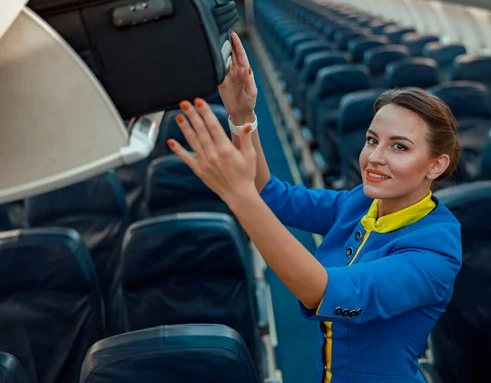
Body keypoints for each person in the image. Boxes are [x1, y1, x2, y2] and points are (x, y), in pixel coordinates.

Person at [167, 31, 462, 383]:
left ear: (436, 165)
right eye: (372, 140)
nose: (375, 158)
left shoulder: (436, 249)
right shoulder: (362, 202)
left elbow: (321, 290)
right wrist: (242, 116)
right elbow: (274, 197)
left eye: (399, 147)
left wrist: (238, 196)